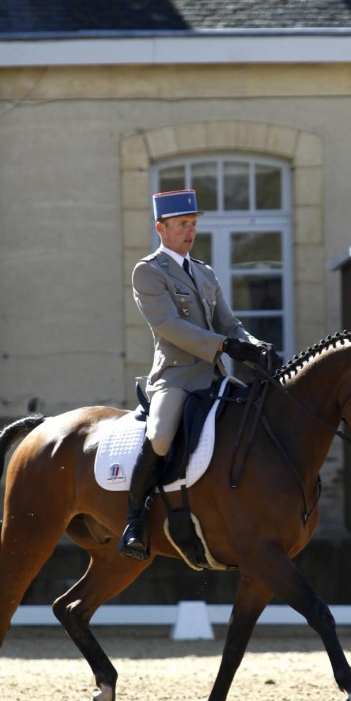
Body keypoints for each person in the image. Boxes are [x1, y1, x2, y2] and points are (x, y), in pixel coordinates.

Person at [119, 188, 275, 560]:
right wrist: (225, 345)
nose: (190, 231)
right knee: (158, 437)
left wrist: (253, 345)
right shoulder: (148, 272)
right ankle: (134, 520)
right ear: (161, 228)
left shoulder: (204, 273)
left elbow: (229, 323)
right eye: (181, 224)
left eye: (192, 224)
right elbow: (170, 326)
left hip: (215, 375)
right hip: (177, 377)